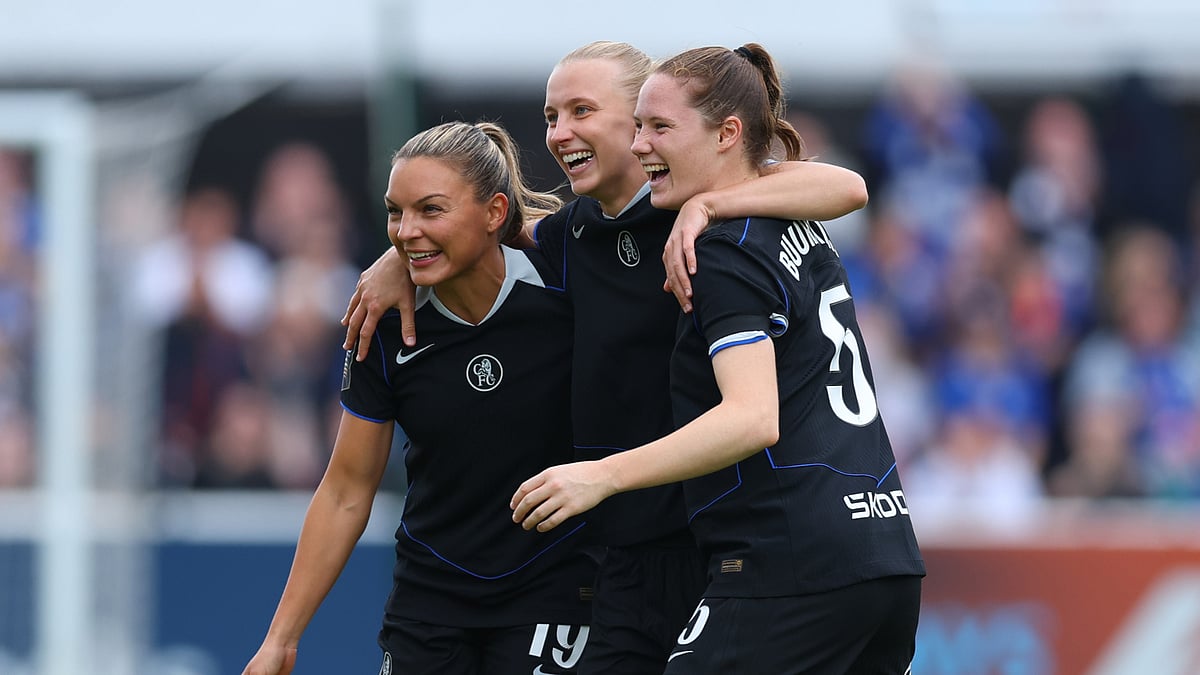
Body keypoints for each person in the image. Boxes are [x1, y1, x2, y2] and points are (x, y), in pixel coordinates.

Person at [341, 41, 869, 674]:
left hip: (720, 544)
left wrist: (710, 203)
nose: (560, 134)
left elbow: (848, 186)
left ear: (641, 121)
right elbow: (466, 226)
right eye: (550, 116)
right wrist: (396, 260)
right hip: (623, 553)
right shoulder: (574, 233)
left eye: (582, 111)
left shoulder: (699, 214)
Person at [511, 43, 925, 674]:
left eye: (657, 127)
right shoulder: (786, 219)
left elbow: (752, 418)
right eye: (550, 115)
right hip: (880, 548)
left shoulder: (718, 249)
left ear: (727, 133)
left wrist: (600, 474)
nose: (645, 143)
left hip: (787, 559)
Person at [243, 121, 595, 675]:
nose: (406, 232)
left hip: (554, 588)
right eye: (395, 212)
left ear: (495, 213)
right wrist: (281, 639)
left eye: (431, 210)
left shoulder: (567, 279)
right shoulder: (378, 325)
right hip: (429, 600)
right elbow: (345, 490)